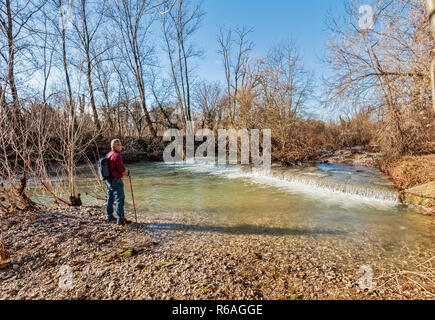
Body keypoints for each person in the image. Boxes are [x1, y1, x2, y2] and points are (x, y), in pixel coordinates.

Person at [106, 139, 131, 225]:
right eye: (120, 145)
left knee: (110, 198)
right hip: (116, 180)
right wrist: (128, 174)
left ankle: (110, 217)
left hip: (108, 180)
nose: (121, 146)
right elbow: (122, 170)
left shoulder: (109, 154)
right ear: (116, 146)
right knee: (120, 199)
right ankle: (120, 219)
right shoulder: (117, 156)